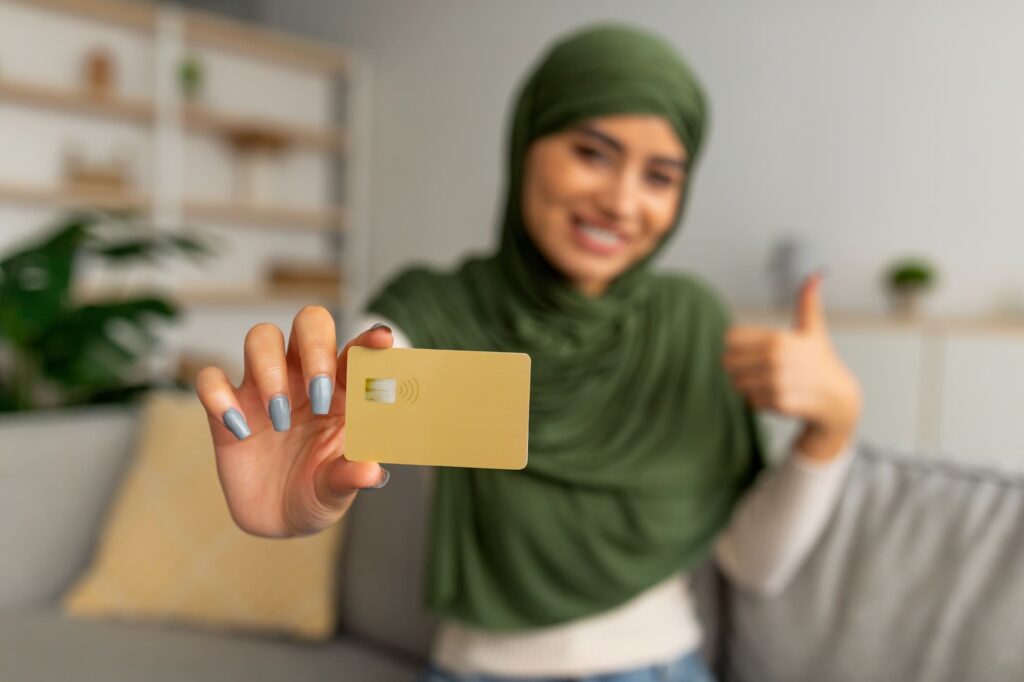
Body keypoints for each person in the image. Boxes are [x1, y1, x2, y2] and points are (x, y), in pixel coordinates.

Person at [195, 24, 862, 682]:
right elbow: (368, 368)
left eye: (659, 176)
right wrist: (309, 463)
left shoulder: (692, 322)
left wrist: (832, 427)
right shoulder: (439, 307)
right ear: (526, 144)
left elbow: (755, 563)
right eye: (593, 153)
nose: (623, 201)